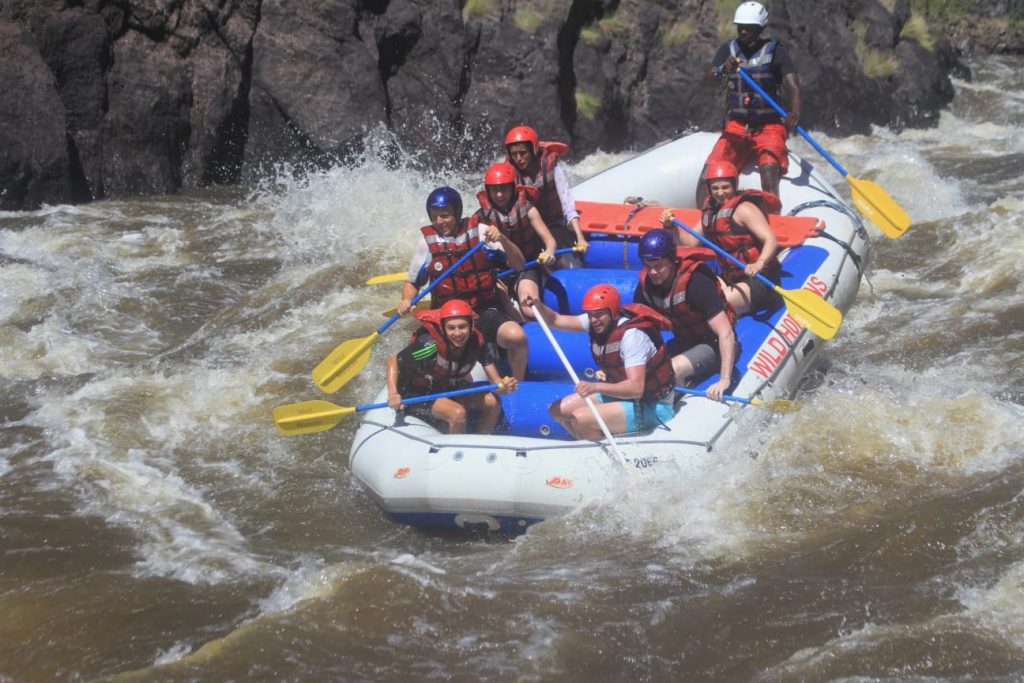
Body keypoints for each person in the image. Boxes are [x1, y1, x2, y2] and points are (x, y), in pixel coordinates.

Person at [399, 186, 530, 380]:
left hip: (483, 311)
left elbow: (519, 264)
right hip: (448, 318)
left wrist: (502, 238)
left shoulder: (480, 233)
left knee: (517, 337)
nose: (439, 222)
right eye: (434, 216)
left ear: (457, 212)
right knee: (421, 352)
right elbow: (412, 283)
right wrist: (406, 300)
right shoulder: (426, 245)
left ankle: (518, 386)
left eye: (444, 216)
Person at [525, 285, 676, 439]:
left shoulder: (632, 336)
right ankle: (591, 441)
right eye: (590, 314)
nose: (594, 320)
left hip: (652, 406)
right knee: (557, 410)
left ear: (613, 312)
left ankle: (598, 450)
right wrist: (538, 305)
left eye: (599, 314)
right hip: (622, 397)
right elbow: (555, 320)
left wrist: (595, 387)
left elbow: (636, 388)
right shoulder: (595, 322)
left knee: (580, 418)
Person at [698, 0, 802, 205]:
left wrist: (795, 113)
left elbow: (794, 86)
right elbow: (707, 80)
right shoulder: (727, 50)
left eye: (749, 28)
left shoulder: (776, 51)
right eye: (741, 27)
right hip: (737, 124)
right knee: (710, 172)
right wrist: (723, 70)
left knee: (769, 169)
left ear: (760, 28)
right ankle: (706, 217)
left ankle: (772, 216)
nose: (744, 31)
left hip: (769, 125)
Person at [663, 160, 781, 317]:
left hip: (761, 279)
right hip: (733, 278)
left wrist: (759, 263)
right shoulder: (711, 213)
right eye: (715, 188)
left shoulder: (744, 209)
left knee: (712, 306)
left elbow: (771, 240)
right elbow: (690, 242)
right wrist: (672, 227)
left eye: (725, 187)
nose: (720, 193)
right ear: (709, 190)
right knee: (693, 297)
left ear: (734, 186)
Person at [633, 229, 738, 401]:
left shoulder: (696, 283)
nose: (652, 273)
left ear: (672, 260)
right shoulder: (645, 288)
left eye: (658, 266)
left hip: (713, 344)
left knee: (671, 369)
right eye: (648, 266)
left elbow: (725, 333)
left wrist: (725, 379)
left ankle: (669, 403)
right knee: (645, 373)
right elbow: (637, 330)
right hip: (683, 342)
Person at [386, 299, 518, 434]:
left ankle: (480, 439)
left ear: (471, 326)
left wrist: (504, 386)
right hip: (417, 394)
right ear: (443, 328)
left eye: (462, 326)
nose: (457, 333)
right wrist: (393, 394)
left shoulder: (477, 343)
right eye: (451, 328)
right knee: (457, 413)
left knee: (493, 402)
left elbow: (496, 382)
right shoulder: (429, 345)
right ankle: (458, 449)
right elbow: (393, 361)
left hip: (447, 387)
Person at [474, 162, 559, 320]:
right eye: (494, 190)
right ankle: (520, 332)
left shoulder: (528, 210)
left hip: (527, 266)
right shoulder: (480, 218)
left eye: (503, 189)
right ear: (488, 191)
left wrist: (549, 252)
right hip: (499, 272)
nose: (499, 195)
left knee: (528, 308)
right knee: (504, 308)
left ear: (513, 188)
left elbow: (550, 242)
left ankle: (555, 323)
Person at [504, 125, 589, 263]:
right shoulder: (510, 174)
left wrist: (580, 238)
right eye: (514, 154)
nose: (518, 158)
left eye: (523, 153)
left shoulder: (552, 167)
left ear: (533, 150)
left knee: (559, 259)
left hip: (555, 223)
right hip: (531, 229)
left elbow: (568, 206)